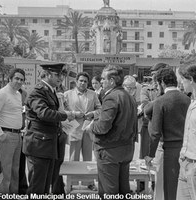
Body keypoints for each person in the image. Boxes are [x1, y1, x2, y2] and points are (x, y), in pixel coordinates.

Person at [22, 63, 74, 194]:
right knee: (37, 186)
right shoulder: (38, 91)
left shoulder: (51, 91)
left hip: (48, 144)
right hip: (39, 145)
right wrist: (66, 115)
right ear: (48, 74)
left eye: (62, 75)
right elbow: (44, 113)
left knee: (45, 186)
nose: (61, 78)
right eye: (57, 75)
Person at [86, 65, 137, 198]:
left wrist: (91, 127)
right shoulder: (129, 96)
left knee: (108, 192)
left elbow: (103, 127)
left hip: (110, 151)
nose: (101, 81)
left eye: (103, 79)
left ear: (112, 81)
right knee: (123, 190)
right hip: (126, 149)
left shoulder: (112, 97)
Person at [145, 67, 190, 200]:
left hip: (168, 151)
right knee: (181, 190)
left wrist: (150, 154)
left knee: (167, 189)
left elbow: (155, 132)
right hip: (186, 150)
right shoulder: (187, 100)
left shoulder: (161, 101)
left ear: (162, 83)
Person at [64, 72, 101, 190]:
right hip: (73, 127)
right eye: (81, 80)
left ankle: (88, 182)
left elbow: (100, 109)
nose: (83, 83)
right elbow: (62, 111)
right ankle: (72, 182)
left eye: (85, 81)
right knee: (73, 157)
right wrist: (74, 114)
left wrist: (93, 114)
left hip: (88, 128)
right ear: (76, 81)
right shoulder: (67, 94)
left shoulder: (93, 94)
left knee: (88, 157)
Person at [0, 68, 25, 194]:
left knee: (15, 171)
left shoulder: (18, 94)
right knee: (5, 172)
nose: (19, 81)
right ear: (10, 79)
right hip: (6, 136)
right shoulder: (1, 94)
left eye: (21, 79)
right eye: (16, 78)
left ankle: (14, 195)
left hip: (18, 135)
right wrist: (0, 134)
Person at [176, 64, 196, 200]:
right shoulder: (192, 102)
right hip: (185, 162)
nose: (181, 84)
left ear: (191, 80)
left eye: (183, 80)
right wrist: (183, 153)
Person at [18, 87, 28, 194]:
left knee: (21, 162)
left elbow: (26, 111)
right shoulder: (3, 94)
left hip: (23, 132)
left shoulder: (24, 93)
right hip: (10, 132)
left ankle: (22, 187)